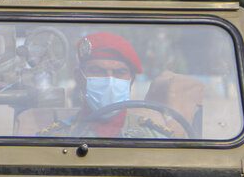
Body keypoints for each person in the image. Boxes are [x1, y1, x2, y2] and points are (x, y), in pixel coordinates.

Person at [38, 31, 172, 138]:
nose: (110, 81)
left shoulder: (155, 138)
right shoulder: (56, 138)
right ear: (79, 78)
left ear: (131, 81)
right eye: (97, 71)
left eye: (119, 72)